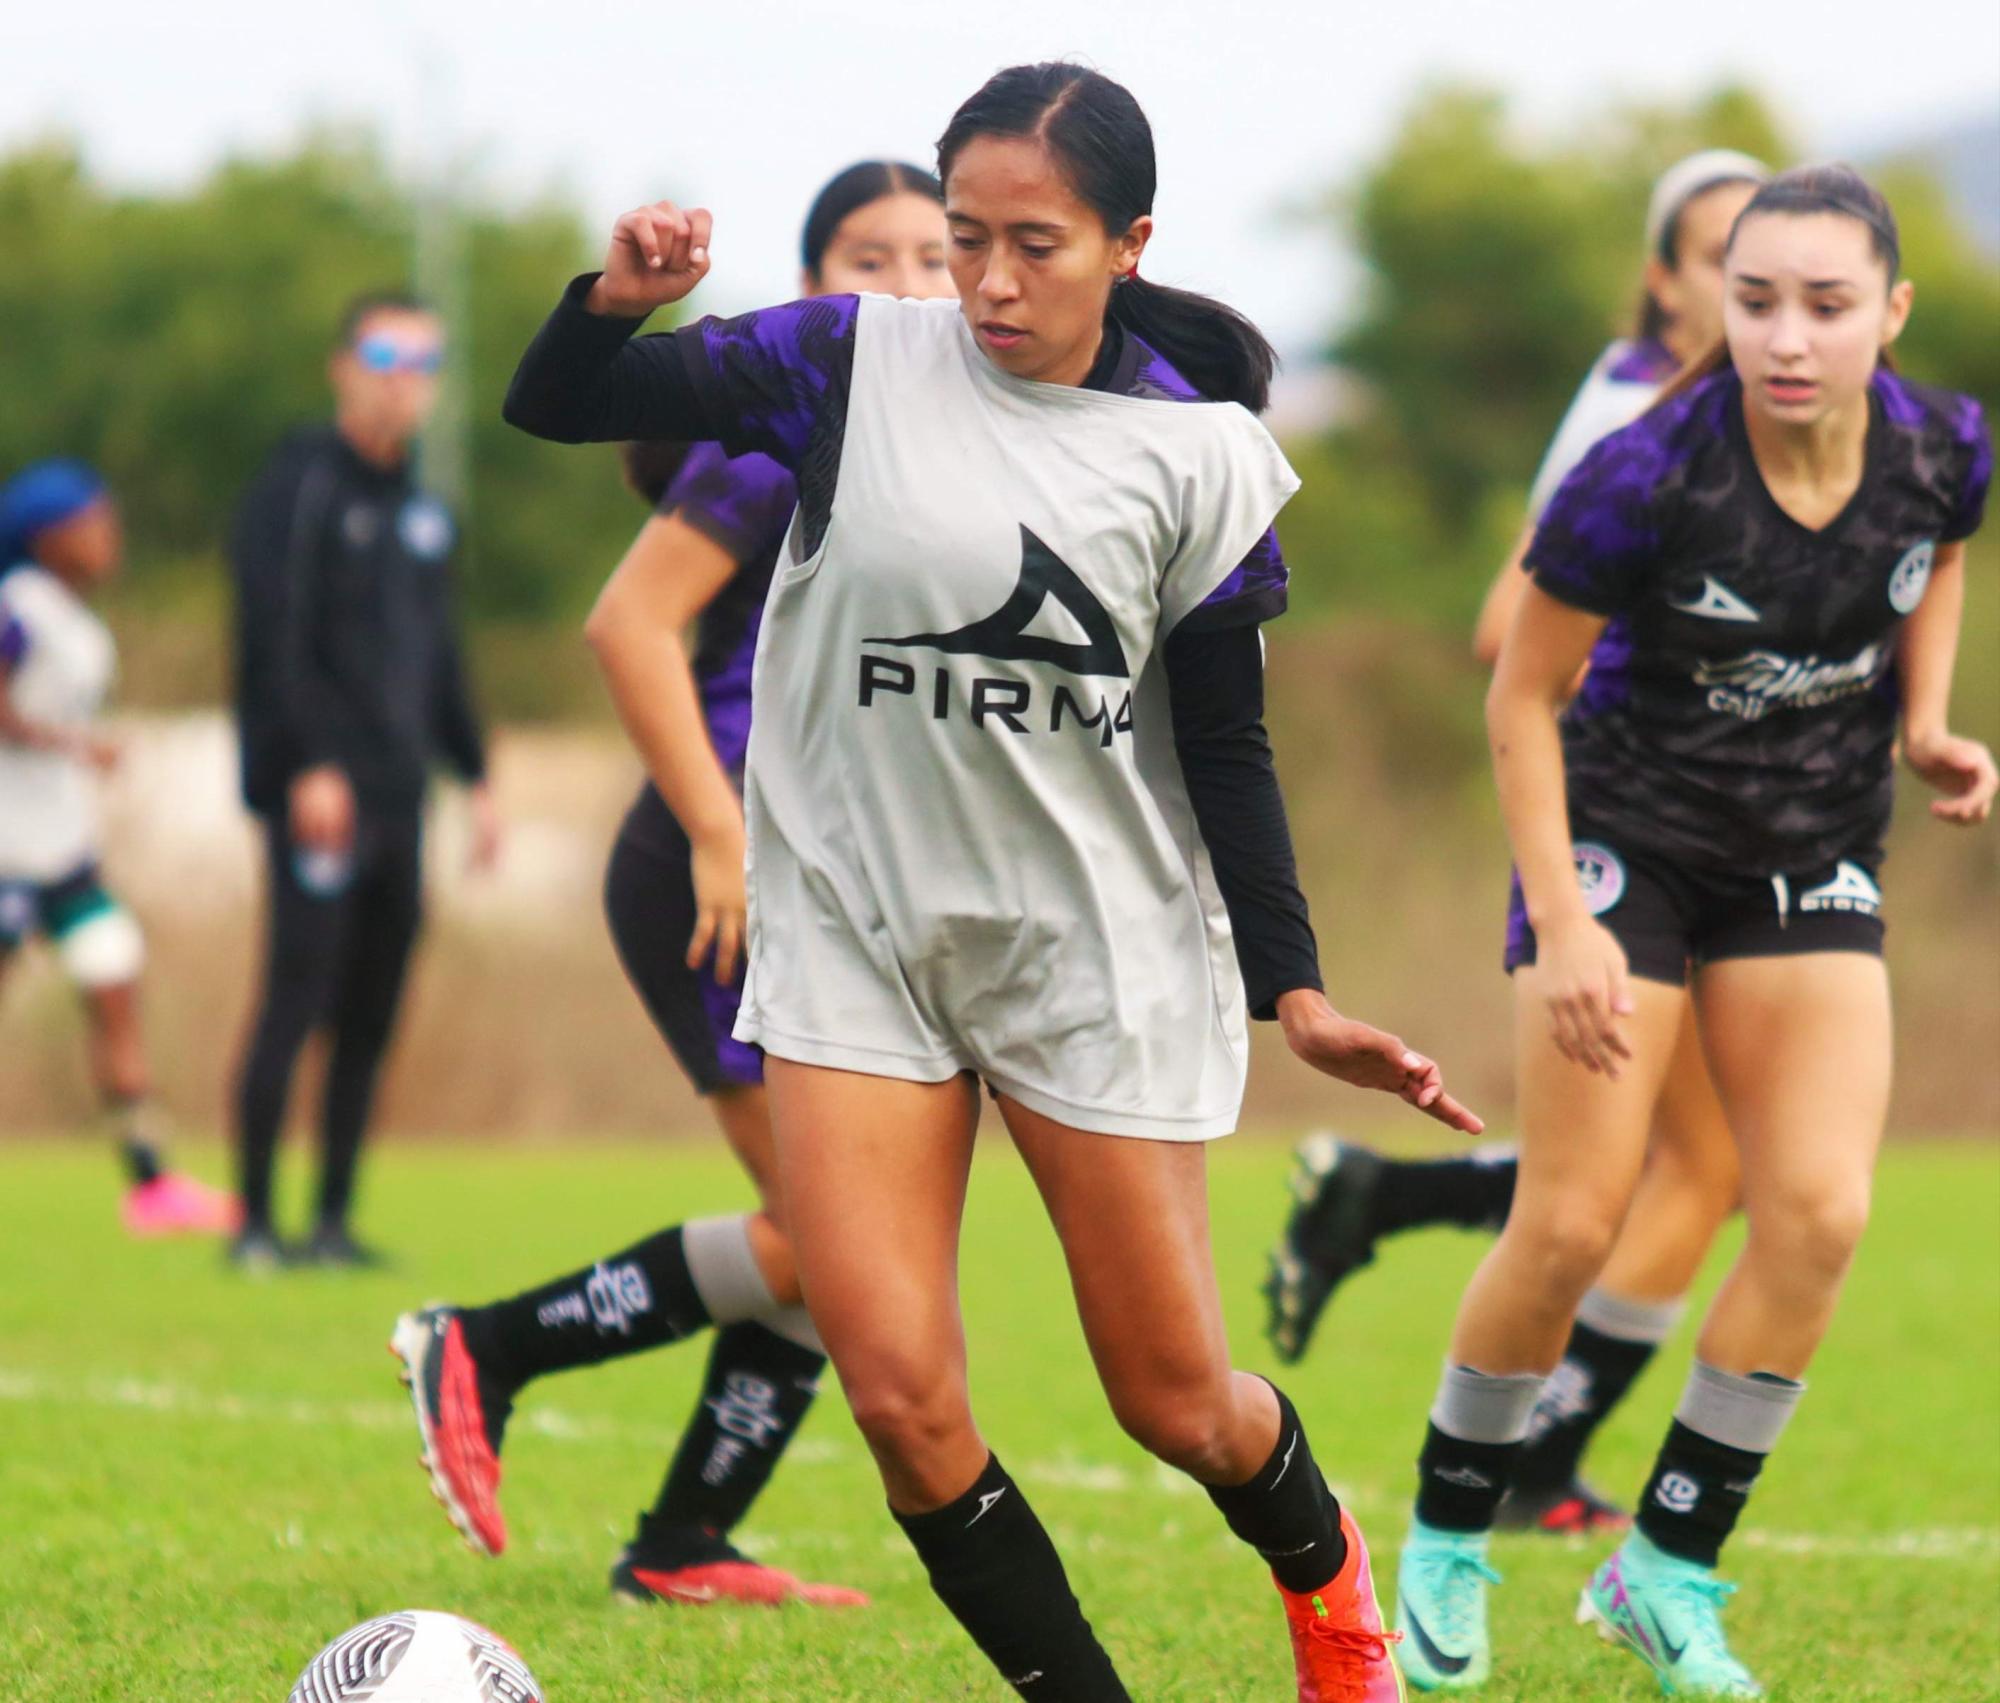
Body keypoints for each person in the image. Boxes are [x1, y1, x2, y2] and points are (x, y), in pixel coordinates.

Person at [501, 60, 1486, 1703]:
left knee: (1177, 1403)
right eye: (966, 239)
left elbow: (1226, 747)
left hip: (1089, 956)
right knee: (900, 1398)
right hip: (856, 949)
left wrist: (1295, 990)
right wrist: (614, 300)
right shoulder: (842, 360)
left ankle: (1329, 1577)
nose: (991, 282)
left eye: (1038, 242)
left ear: (1129, 243)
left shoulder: (1202, 456)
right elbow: (556, 403)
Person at [1391, 165, 1992, 1698]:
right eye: (1755, 297)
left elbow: (1941, 559)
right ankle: (1446, 1544)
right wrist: (1566, 924)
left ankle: (1660, 1569)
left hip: (1806, 849)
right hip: (1623, 845)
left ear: (1891, 314)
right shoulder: (1641, 470)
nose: (1787, 335)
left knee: (1818, 1212)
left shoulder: (1945, 445)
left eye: (1827, 304)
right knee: (1576, 1216)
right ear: (1712, 300)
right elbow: (1515, 693)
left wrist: (1926, 720)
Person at [391, 159, 953, 1611]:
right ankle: (490, 1346)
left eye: (933, 257)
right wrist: (722, 834)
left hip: (831, 883)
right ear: (817, 282)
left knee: (853, 1245)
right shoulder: (783, 429)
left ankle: (685, 1539)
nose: (909, 287)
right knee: (854, 1241)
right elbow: (629, 627)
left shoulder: (942, 437)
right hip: (721, 873)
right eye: (870, 259)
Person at [1268, 151, 1771, 1538]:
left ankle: (1390, 1207)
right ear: (1666, 278)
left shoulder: (1753, 414)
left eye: (1773, 256)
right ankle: (1520, 1454)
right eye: (1721, 256)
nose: (1752, 288)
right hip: (1625, 821)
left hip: (1721, 823)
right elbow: (1513, 629)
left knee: (1677, 1169)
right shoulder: (1632, 411)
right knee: (1662, 1175)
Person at [227, 293, 499, 1272]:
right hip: (320, 794)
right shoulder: (297, 484)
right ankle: (256, 1223)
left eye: (424, 361)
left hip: (401, 792)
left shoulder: (423, 509)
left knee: (372, 1010)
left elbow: (438, 659)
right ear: (342, 364)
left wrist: (476, 774)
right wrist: (306, 763)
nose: (402, 377)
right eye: (384, 354)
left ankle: (333, 1219)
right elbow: (272, 635)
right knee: (296, 995)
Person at [0, 460, 237, 1235]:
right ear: (47, 536)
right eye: (93, 523)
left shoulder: (75, 618)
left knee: (113, 975)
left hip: (61, 851)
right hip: (7, 850)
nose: (110, 538)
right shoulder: (20, 607)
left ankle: (149, 1181)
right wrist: (75, 743)